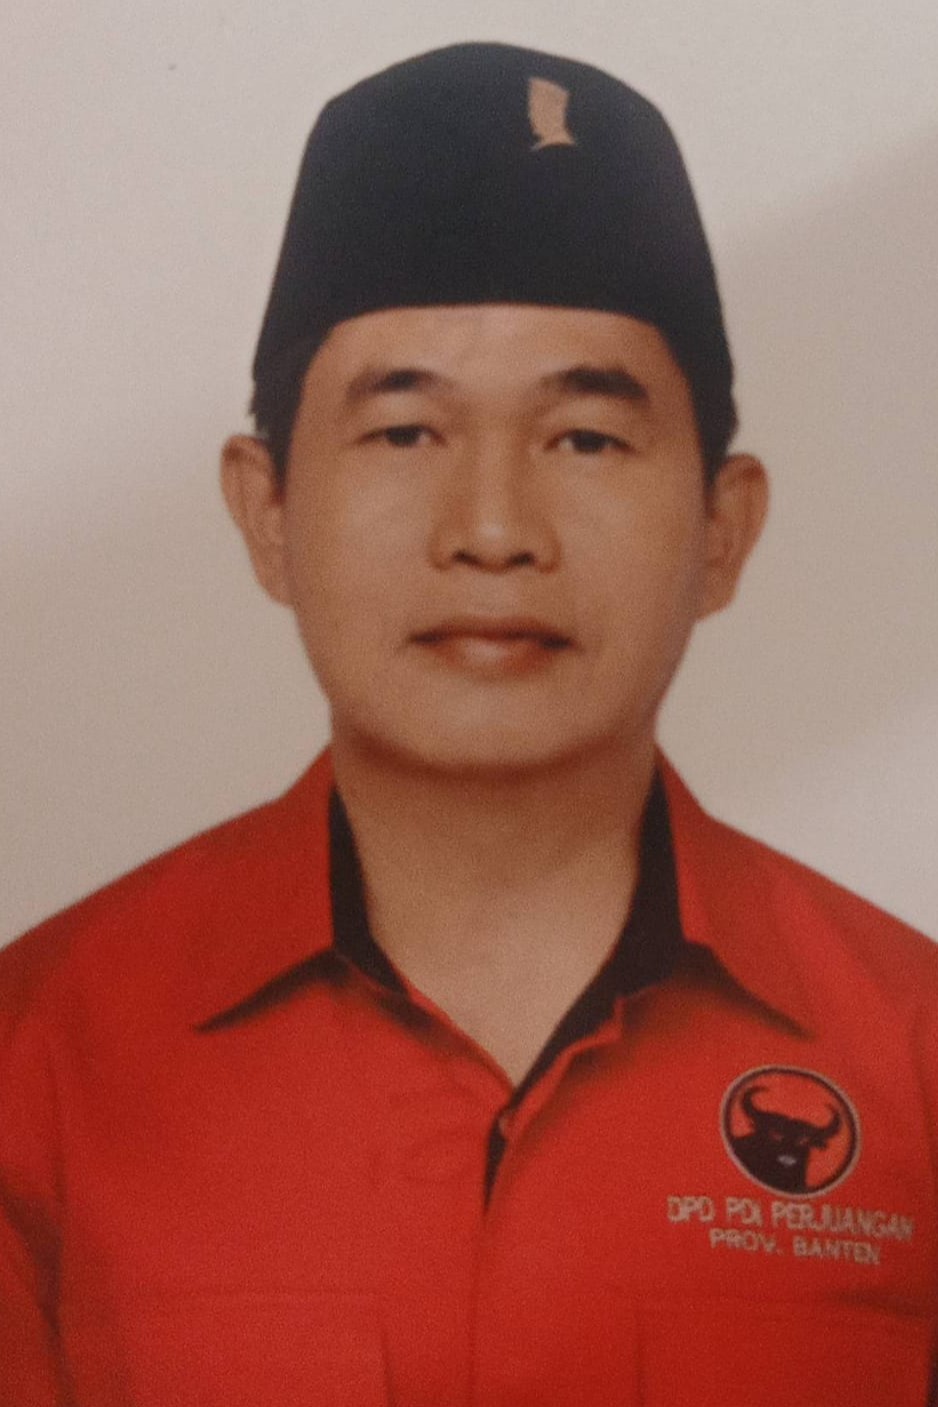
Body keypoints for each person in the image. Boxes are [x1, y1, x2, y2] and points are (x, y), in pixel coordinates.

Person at [1, 41, 936, 1407]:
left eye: (586, 438)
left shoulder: (913, 1057)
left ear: (722, 528)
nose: (493, 531)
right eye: (404, 433)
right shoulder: (34, 1062)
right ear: (267, 511)